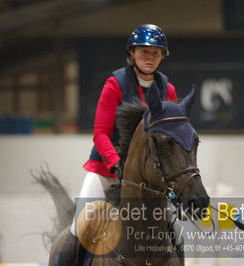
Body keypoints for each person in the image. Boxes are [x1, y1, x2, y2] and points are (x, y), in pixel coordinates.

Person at [55, 24, 178, 265]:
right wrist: (116, 163)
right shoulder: (115, 84)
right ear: (132, 53)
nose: (149, 57)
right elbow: (100, 133)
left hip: (150, 180)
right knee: (77, 231)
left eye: (155, 52)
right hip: (107, 172)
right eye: (144, 51)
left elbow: (170, 137)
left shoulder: (168, 89)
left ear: (163, 55)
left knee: (173, 230)